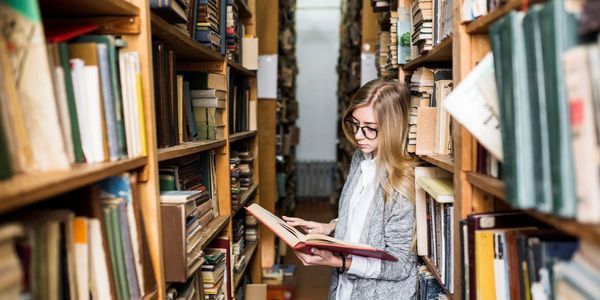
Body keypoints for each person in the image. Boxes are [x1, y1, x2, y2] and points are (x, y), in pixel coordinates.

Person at [283, 79, 418, 299]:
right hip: (345, 289)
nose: (358, 136)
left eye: (370, 129)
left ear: (393, 128)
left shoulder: (402, 183)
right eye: (354, 124)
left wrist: (338, 262)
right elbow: (363, 219)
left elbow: (400, 266)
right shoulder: (360, 157)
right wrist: (332, 227)